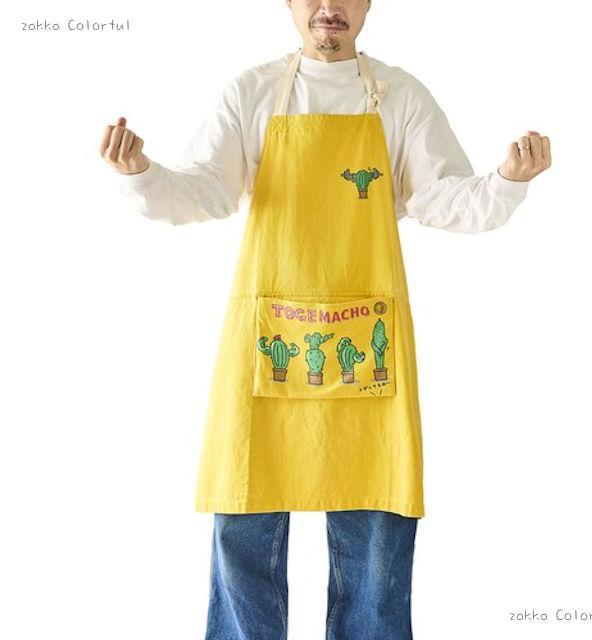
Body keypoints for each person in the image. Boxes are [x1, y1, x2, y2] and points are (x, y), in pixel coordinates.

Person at [100, 1, 551, 638]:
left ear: (368, 3)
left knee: (376, 516)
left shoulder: (400, 96)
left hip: (369, 337)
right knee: (244, 513)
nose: (329, 7)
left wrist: (506, 180)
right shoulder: (253, 92)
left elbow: (442, 198)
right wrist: (142, 176)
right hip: (269, 333)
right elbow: (206, 190)